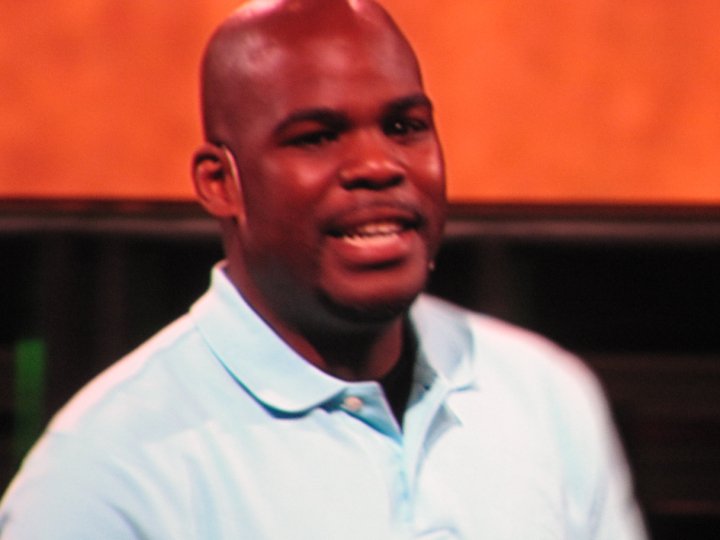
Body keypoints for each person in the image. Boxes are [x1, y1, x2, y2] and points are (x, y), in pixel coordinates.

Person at [0, 0, 647, 538]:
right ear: (221, 183)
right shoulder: (104, 475)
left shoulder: (543, 395)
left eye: (404, 126)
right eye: (315, 137)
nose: (378, 166)